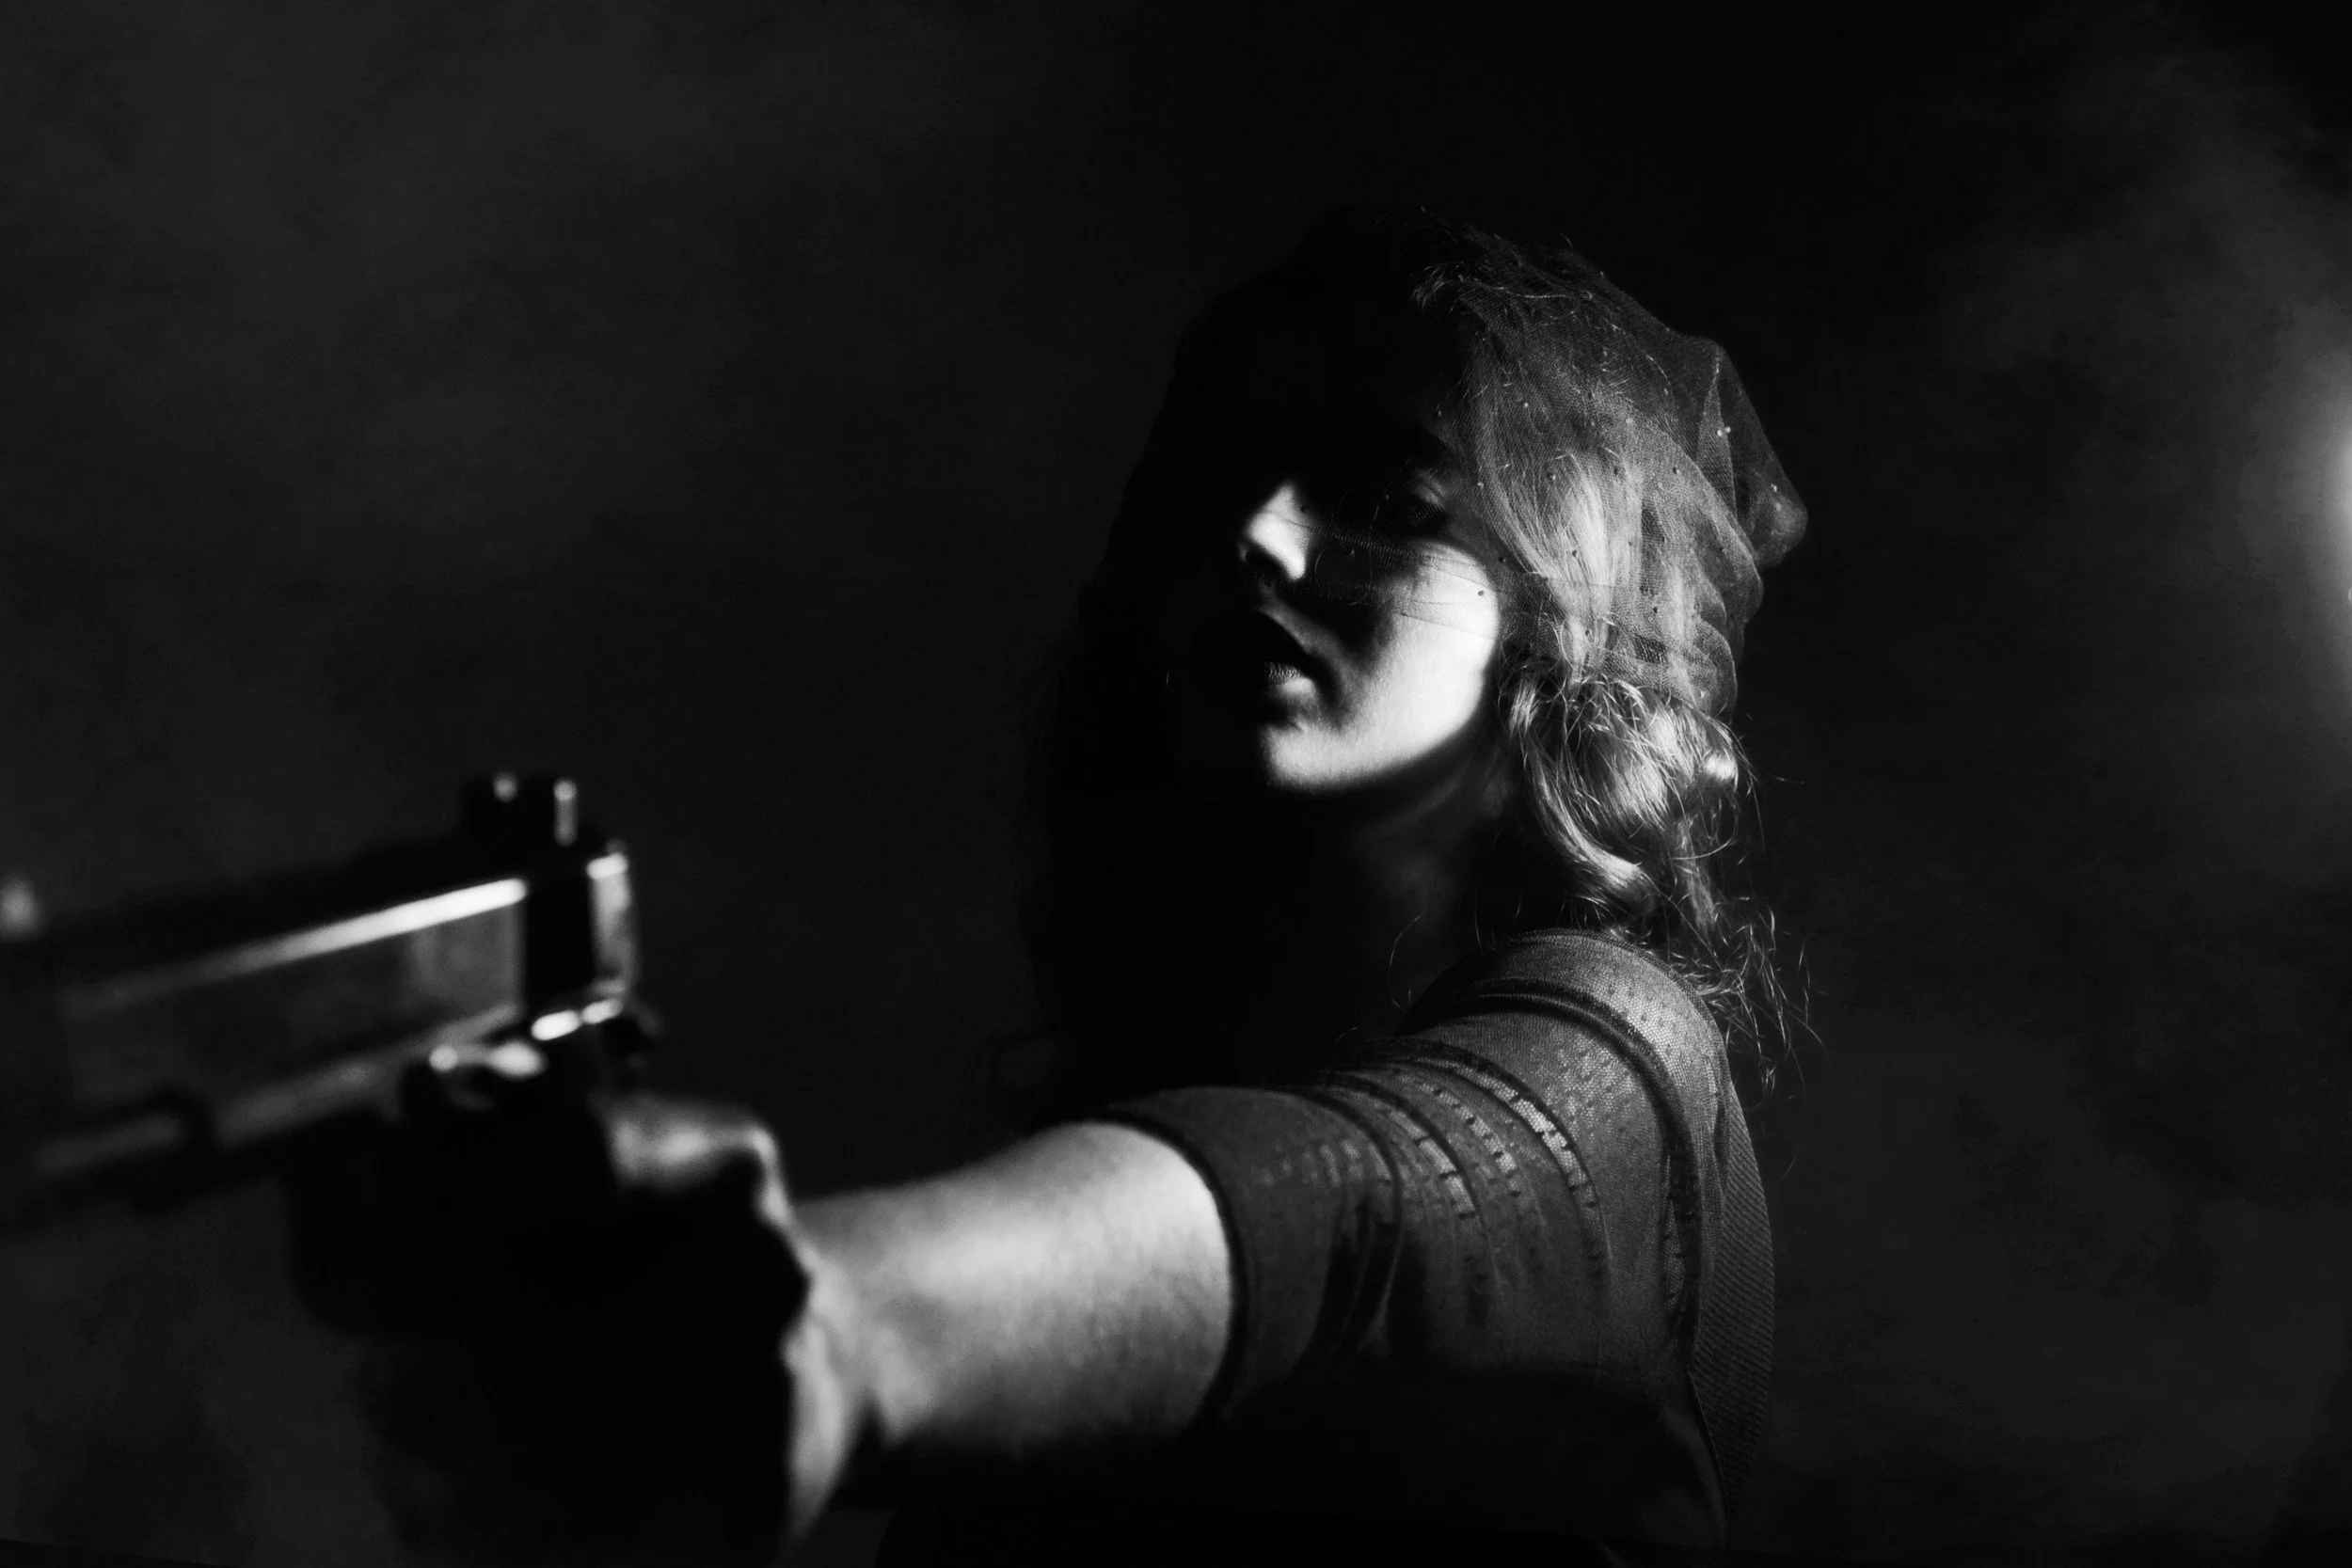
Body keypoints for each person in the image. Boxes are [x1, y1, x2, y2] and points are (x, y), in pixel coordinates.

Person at [289, 208, 1806, 1567]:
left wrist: (831, 1326)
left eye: (1389, 495)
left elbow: (1355, 1217)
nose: (1251, 532)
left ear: (1567, 627)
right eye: (1220, 475)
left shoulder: (1623, 1071)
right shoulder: (1158, 1082)